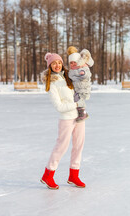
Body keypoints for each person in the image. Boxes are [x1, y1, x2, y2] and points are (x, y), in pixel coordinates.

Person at [40, 52, 86, 190]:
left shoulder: (68, 77)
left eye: (59, 62)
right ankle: (48, 175)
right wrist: (75, 105)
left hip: (79, 116)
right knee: (62, 146)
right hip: (67, 118)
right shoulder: (52, 84)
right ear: (50, 66)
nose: (57, 65)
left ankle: (74, 175)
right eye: (54, 63)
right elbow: (59, 106)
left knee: (79, 145)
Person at [67, 46, 94, 122]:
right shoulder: (71, 71)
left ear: (78, 62)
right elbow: (70, 77)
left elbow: (87, 75)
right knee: (76, 100)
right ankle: (82, 112)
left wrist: (83, 74)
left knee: (78, 100)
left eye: (74, 62)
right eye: (71, 63)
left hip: (83, 88)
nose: (73, 64)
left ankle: (83, 113)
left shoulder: (82, 67)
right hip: (77, 89)